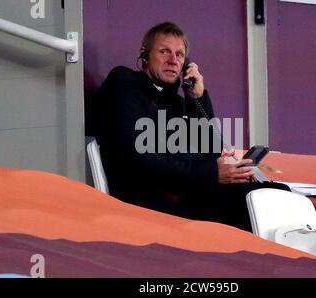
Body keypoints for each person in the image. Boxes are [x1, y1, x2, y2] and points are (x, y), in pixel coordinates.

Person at [94, 21, 289, 231]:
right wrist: (211, 173)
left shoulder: (176, 102)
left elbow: (212, 150)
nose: (173, 60)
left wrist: (197, 98)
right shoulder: (125, 90)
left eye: (179, 55)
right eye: (164, 51)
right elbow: (142, 162)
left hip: (188, 193)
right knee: (260, 199)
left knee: (276, 192)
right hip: (156, 203)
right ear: (144, 54)